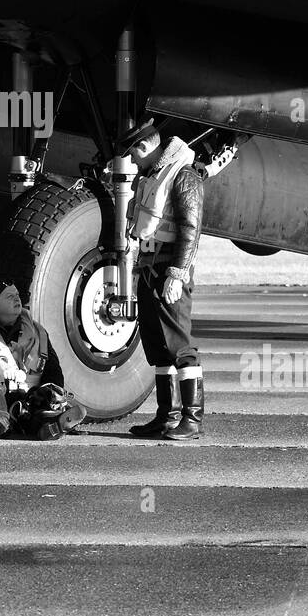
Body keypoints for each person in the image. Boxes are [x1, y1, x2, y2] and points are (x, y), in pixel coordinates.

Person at [127, 122, 206, 442]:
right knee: (158, 348)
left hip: (169, 270)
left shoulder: (184, 175)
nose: (133, 161)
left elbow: (191, 227)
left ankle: (192, 418)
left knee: (179, 346)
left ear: (145, 148)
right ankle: (167, 415)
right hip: (149, 268)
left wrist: (177, 273)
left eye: (133, 153)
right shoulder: (151, 177)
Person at [0, 278, 85, 439]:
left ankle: (50, 424)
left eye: (17, 294)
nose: (16, 298)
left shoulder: (38, 331)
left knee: (42, 401)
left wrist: (53, 390)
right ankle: (0, 420)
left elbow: (53, 369)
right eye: (9, 296)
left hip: (27, 400)